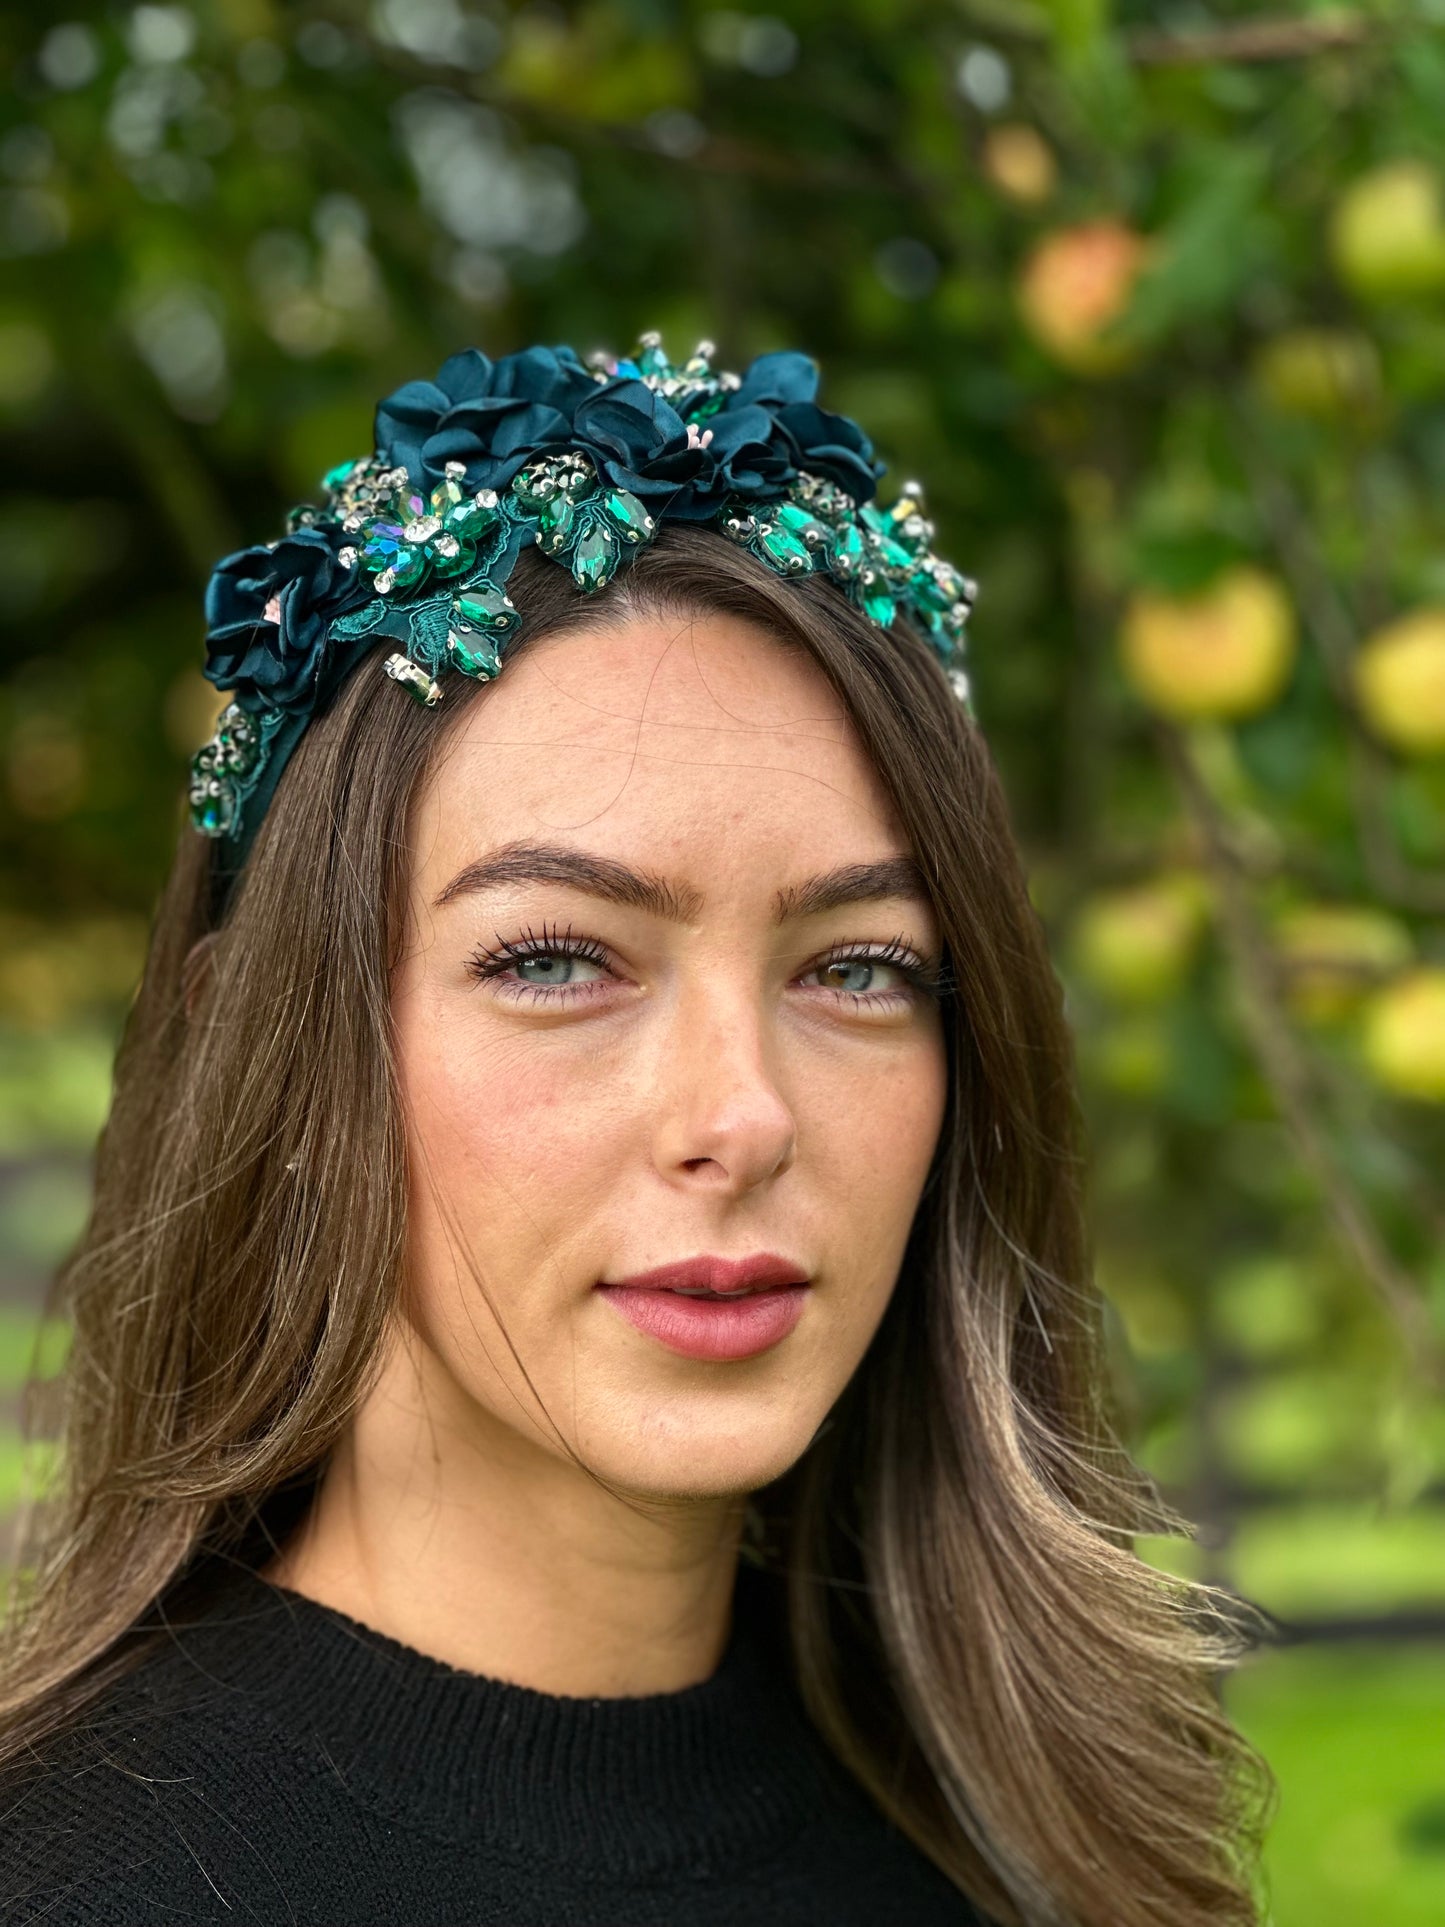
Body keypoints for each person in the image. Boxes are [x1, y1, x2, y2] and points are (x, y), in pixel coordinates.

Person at [0, 335, 1273, 1926]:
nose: (738, 1117)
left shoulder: (1043, 1852)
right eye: (553, 960)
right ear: (271, 1058)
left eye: (859, 968)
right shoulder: (75, 1885)